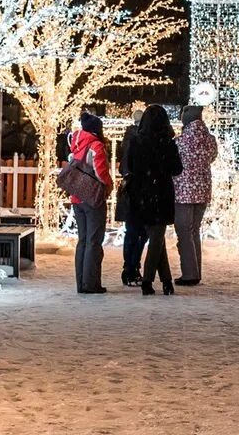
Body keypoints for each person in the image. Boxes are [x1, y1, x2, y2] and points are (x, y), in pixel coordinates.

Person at [123, 104, 183, 295]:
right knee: (157, 238)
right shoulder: (167, 143)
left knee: (157, 239)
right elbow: (177, 169)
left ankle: (166, 281)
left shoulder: (136, 142)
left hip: (140, 195)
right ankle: (148, 281)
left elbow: (129, 166)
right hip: (161, 194)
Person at [172, 105, 218, 286]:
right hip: (204, 190)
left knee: (184, 232)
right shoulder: (210, 140)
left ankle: (189, 273)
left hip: (183, 192)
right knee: (194, 231)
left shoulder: (180, 141)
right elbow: (211, 157)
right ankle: (196, 270)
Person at [69, 113, 112, 294]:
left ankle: (81, 283)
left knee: (83, 240)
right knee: (94, 241)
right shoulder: (96, 146)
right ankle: (91, 284)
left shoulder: (75, 143)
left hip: (77, 196)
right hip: (93, 197)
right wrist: (109, 185)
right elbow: (101, 172)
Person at [116, 137, 147, 287]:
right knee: (141, 233)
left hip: (132, 195)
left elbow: (123, 168)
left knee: (132, 233)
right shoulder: (141, 141)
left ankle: (129, 267)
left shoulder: (130, 141)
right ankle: (132, 267)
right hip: (142, 195)